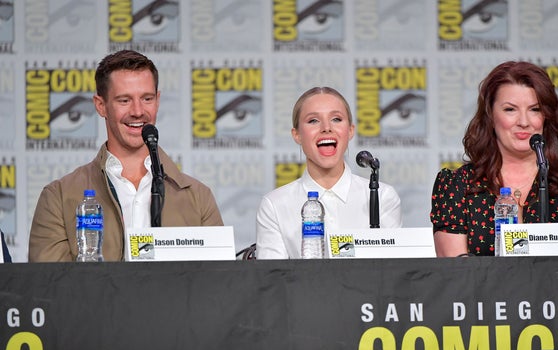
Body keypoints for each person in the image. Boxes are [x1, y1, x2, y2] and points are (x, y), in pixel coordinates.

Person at [29, 50, 223, 262]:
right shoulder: (58, 197)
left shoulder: (199, 197)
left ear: (157, 101)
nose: (138, 111)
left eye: (147, 98)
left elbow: (217, 286)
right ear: (100, 105)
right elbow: (48, 290)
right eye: (124, 100)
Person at [430, 61, 558, 257]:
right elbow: (456, 278)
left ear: (546, 116)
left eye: (535, 109)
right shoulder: (457, 186)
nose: (524, 122)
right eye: (510, 109)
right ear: (490, 115)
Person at [256, 86, 402, 259]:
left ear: (350, 130)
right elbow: (273, 280)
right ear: (297, 135)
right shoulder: (274, 205)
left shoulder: (383, 197)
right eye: (313, 121)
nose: (326, 128)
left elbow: (394, 274)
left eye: (336, 119)